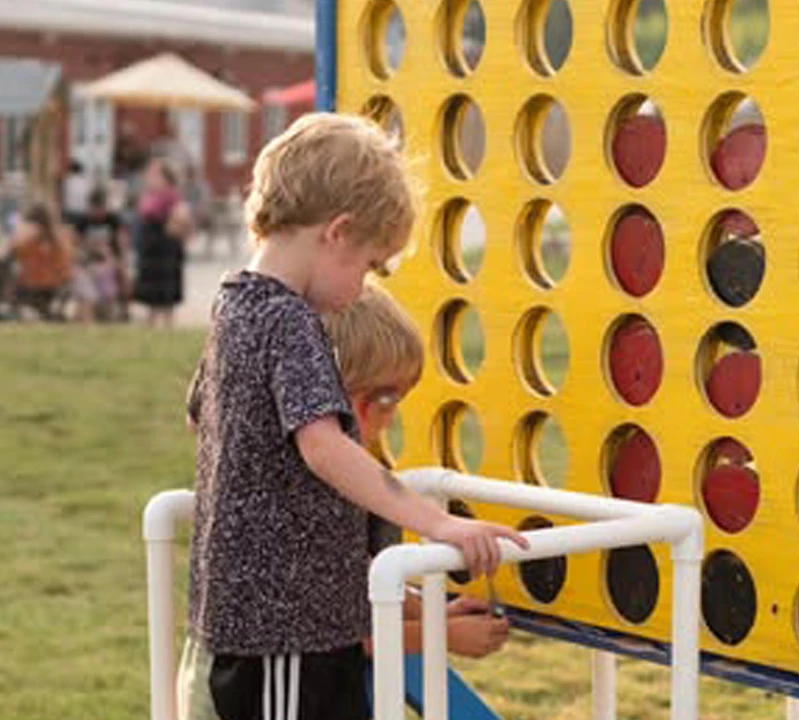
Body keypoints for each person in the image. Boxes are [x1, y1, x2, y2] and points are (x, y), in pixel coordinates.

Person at [179, 114, 526, 720]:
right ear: (337, 233)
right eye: (369, 264)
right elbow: (324, 446)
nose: (363, 285)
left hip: (286, 625)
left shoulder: (233, 305)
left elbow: (199, 415)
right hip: (285, 631)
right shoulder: (289, 320)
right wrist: (437, 523)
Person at [324, 284, 511, 661]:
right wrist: (441, 635)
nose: (389, 417)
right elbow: (331, 636)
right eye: (383, 400)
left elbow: (357, 573)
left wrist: (431, 614)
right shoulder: (309, 488)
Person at [132, 159, 193, 328]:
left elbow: (181, 221)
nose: (149, 178)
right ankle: (151, 322)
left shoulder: (172, 196)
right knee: (150, 291)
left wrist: (172, 229)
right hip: (149, 249)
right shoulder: (148, 196)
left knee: (165, 291)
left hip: (165, 249)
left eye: (154, 175)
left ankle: (167, 323)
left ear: (165, 178)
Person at [73, 187, 130, 321]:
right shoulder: (82, 221)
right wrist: (87, 253)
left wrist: (121, 261)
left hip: (111, 259)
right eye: (95, 209)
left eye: (101, 208)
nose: (98, 213)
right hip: (89, 261)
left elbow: (122, 241)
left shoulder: (113, 220)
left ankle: (124, 312)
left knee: (123, 277)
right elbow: (75, 244)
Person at [11, 205, 72, 321]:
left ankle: (49, 313)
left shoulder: (58, 242)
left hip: (50, 289)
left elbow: (65, 272)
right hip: (33, 288)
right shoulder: (27, 243)